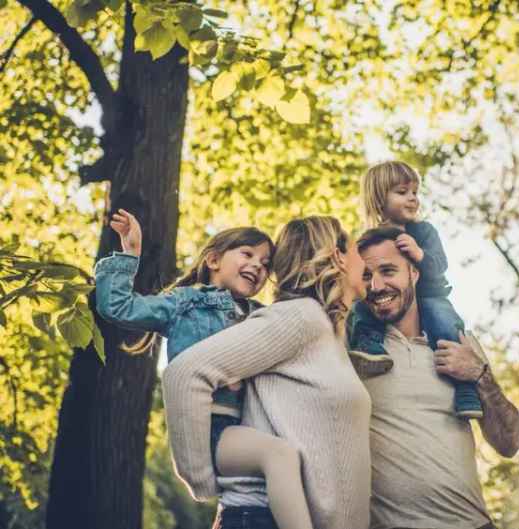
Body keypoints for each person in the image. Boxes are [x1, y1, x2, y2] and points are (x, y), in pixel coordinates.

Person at [94, 209, 315, 529]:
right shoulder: (185, 302)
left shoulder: (261, 315)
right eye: (248, 254)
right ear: (213, 260)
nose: (257, 265)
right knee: (278, 457)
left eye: (266, 264)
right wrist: (131, 254)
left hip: (250, 426)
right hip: (210, 429)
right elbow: (118, 307)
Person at [161, 216, 372, 529]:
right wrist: (201, 477)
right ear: (337, 256)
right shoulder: (299, 317)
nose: (365, 261)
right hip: (259, 519)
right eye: (357, 249)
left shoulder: (327, 329)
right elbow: (183, 373)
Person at [357, 226, 519, 529]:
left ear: (415, 274)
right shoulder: (355, 351)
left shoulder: (461, 343)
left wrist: (480, 375)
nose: (376, 285)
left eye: (388, 271)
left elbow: (509, 443)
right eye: (366, 276)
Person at [348, 160, 483, 419]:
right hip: (388, 302)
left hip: (430, 295)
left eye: (415, 193)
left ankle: (465, 389)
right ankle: (369, 346)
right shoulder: (368, 239)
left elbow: (440, 265)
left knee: (444, 324)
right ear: (379, 199)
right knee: (359, 308)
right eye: (402, 192)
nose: (412, 199)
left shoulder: (423, 231)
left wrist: (419, 254)